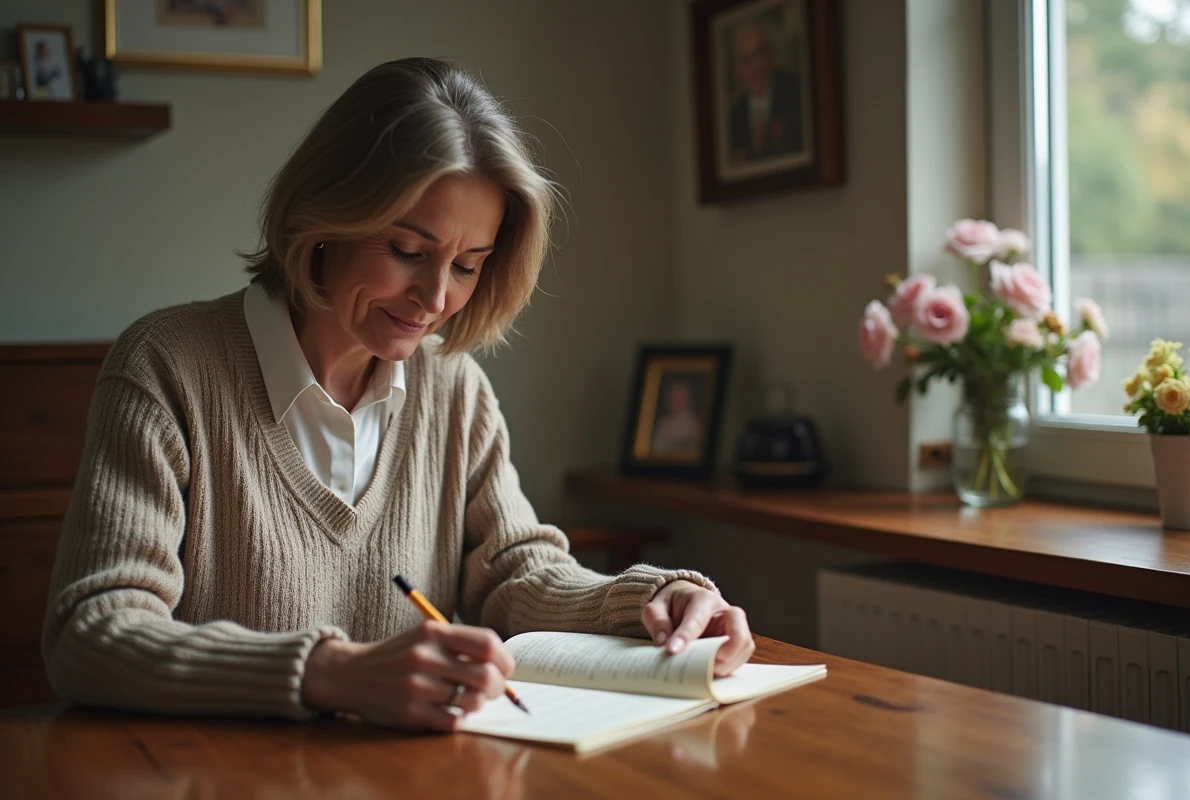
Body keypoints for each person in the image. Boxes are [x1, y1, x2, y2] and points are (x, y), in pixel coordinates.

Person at [42, 58, 753, 731]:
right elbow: (91, 632)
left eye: (468, 265)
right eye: (408, 252)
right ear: (323, 219)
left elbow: (513, 573)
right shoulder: (167, 366)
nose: (436, 298)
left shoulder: (454, 390)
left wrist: (652, 600)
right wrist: (330, 673)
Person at [727, 20, 805, 163]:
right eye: (746, 60)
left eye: (758, 55)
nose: (753, 68)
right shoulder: (734, 116)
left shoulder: (797, 93)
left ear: (771, 54)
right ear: (739, 69)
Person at [651, 379, 703, 453]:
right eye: (674, 397)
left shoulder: (695, 424)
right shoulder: (662, 424)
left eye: (681, 397)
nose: (677, 401)